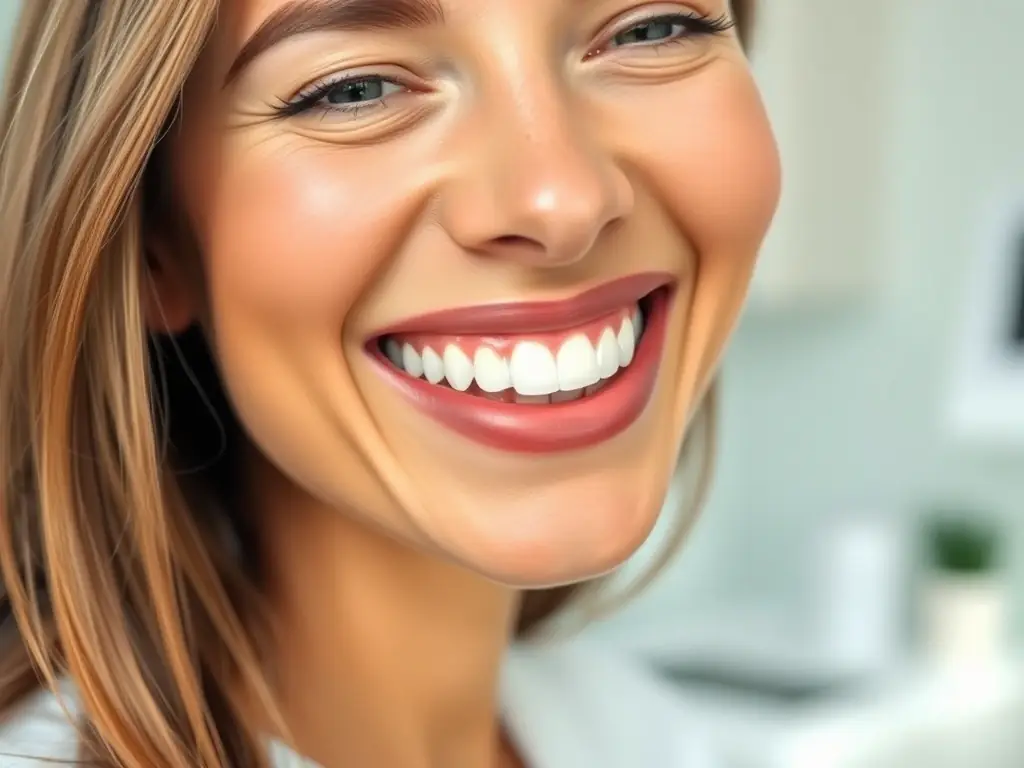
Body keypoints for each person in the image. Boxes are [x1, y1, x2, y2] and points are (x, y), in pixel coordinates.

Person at [0, 0, 777, 765]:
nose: (562, 202)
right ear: (151, 239)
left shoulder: (637, 731)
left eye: (651, 29)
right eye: (356, 89)